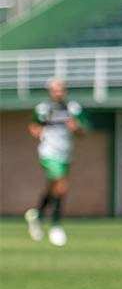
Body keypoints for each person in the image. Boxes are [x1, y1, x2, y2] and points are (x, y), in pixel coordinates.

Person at [25, 79, 85, 247]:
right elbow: (33, 126)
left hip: (65, 154)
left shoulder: (72, 108)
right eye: (55, 90)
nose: (58, 93)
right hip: (48, 153)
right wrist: (37, 131)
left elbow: (82, 129)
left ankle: (37, 216)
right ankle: (56, 226)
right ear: (50, 91)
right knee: (61, 185)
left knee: (53, 188)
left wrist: (76, 127)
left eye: (61, 90)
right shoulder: (43, 109)